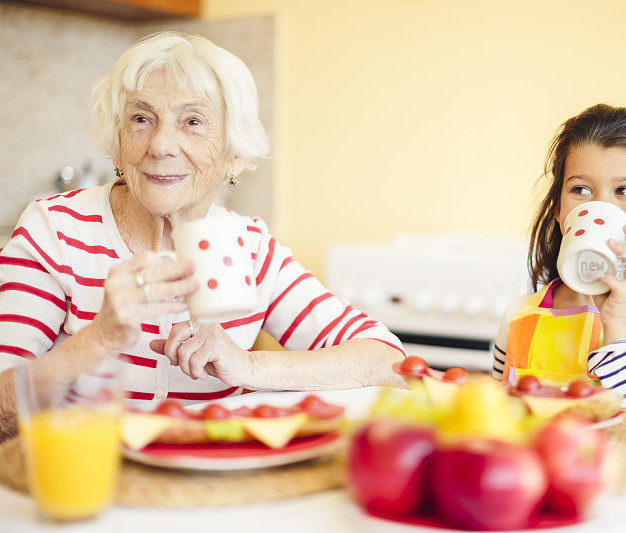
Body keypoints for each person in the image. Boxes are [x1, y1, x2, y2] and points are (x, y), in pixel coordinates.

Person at [0, 31, 405, 438]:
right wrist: (98, 340)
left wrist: (249, 366)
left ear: (235, 156)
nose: (161, 145)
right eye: (141, 119)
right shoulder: (53, 230)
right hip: (78, 485)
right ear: (117, 145)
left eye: (192, 122)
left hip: (200, 492)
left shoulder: (249, 249)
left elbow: (389, 362)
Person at [491, 104, 626, 415]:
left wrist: (618, 321)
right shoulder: (518, 316)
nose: (600, 206)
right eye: (580, 189)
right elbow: (492, 415)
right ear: (558, 209)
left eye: (624, 190)